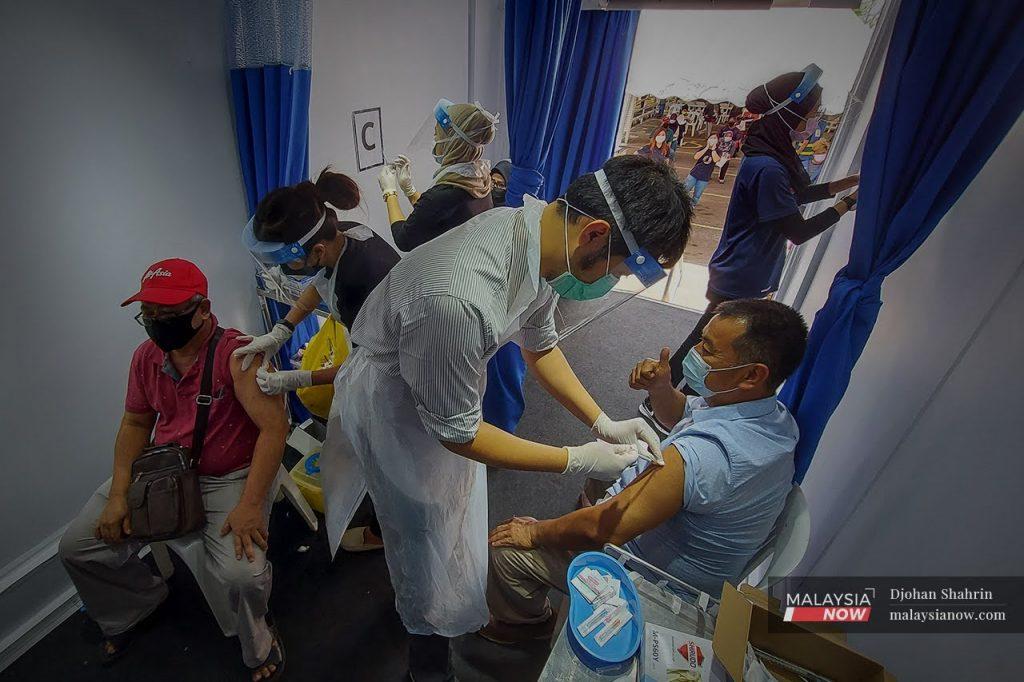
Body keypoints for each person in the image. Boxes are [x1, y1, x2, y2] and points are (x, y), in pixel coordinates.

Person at [324, 155, 693, 680]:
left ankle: (452, 601)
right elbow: (460, 432)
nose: (614, 280)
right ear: (593, 234)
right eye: (619, 269)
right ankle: (427, 659)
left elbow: (541, 345)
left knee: (456, 508)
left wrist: (600, 421)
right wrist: (573, 458)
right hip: (396, 408)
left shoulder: (540, 243)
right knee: (420, 534)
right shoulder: (457, 295)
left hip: (443, 382)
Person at [481, 299, 808, 642]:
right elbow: (681, 415)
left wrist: (536, 533)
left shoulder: (708, 456)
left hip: (654, 584)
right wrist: (661, 389)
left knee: (505, 550)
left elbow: (602, 530)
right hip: (680, 536)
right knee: (615, 461)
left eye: (708, 350)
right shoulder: (770, 415)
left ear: (752, 374)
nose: (694, 352)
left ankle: (523, 624)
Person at [59, 259, 290, 681]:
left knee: (242, 576)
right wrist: (117, 496)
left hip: (230, 475)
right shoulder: (146, 357)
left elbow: (275, 429)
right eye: (149, 316)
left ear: (202, 308)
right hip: (167, 470)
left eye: (168, 315)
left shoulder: (238, 355)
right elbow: (134, 424)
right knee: (78, 546)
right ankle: (136, 605)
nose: (157, 324)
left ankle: (259, 643)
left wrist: (252, 504)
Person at [663, 66, 860, 392]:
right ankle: (672, 399)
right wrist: (849, 203)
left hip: (742, 269)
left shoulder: (769, 158)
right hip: (743, 274)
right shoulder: (768, 167)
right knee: (713, 348)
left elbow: (794, 195)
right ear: (790, 113)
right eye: (813, 112)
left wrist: (841, 185)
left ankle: (667, 395)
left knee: (706, 342)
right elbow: (797, 230)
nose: (815, 119)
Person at [237, 168, 401, 553]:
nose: (281, 272)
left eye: (286, 263)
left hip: (395, 370)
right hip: (374, 352)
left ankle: (385, 533)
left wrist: (293, 380)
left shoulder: (364, 278)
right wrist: (283, 328)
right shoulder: (341, 232)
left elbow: (362, 363)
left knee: (390, 457)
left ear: (316, 251)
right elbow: (318, 284)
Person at [381, 100, 498, 252]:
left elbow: (404, 239)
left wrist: (390, 192)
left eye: (438, 135)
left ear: (454, 142)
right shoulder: (480, 178)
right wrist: (409, 190)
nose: (435, 141)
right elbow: (435, 215)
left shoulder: (447, 193)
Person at [682, 134, 720, 206]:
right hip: (694, 173)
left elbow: (716, 159)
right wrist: (707, 147)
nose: (713, 139)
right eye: (711, 138)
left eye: (715, 138)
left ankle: (692, 206)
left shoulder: (717, 151)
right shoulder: (703, 148)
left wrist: (713, 149)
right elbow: (696, 157)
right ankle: (682, 203)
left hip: (705, 177)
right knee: (685, 190)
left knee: (697, 195)